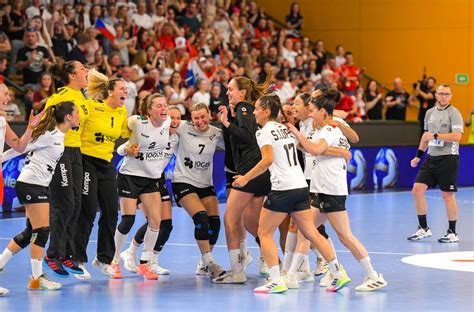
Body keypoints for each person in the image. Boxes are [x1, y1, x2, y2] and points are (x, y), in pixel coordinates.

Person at [233, 94, 349, 293]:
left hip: (283, 188)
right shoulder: (284, 129)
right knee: (311, 232)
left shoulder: (264, 132)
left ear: (267, 111)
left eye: (257, 108)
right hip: (300, 186)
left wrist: (245, 178)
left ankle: (276, 280)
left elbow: (268, 159)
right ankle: (338, 273)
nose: (254, 112)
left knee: (264, 233)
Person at [287, 91, 387, 292]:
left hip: (331, 189)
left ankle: (373, 275)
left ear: (322, 111)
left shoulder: (330, 129)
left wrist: (299, 135)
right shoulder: (323, 128)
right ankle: (291, 276)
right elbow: (313, 148)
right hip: (322, 189)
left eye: (313, 110)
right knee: (306, 232)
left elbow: (316, 149)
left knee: (344, 235)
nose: (310, 112)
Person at [0, 102, 78, 291]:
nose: (79, 116)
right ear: (68, 116)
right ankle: (36, 278)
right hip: (30, 184)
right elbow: (21, 147)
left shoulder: (59, 136)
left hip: (38, 185)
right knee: (42, 231)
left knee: (30, 232)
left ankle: (1, 263)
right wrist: (1, 158)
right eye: (77, 112)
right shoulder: (49, 135)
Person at [213, 73, 274, 284]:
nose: (227, 92)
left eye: (231, 89)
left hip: (251, 171)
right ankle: (275, 264)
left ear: (242, 92)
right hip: (258, 172)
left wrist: (228, 124)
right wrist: (227, 122)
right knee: (251, 223)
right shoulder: (241, 111)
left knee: (230, 218)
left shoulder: (244, 108)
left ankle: (237, 272)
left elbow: (248, 137)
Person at [73, 70, 130, 278]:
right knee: (87, 210)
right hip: (85, 160)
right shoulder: (91, 106)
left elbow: (127, 133)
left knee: (111, 211)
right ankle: (77, 259)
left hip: (106, 163)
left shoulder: (122, 113)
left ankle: (104, 258)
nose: (126, 91)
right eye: (122, 88)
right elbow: (74, 123)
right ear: (110, 92)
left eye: (127, 89)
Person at [112, 93, 172, 280]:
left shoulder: (168, 122)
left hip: (151, 178)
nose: (164, 108)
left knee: (156, 221)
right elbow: (121, 147)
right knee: (128, 220)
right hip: (129, 176)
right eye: (159, 105)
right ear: (149, 110)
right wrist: (127, 150)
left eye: (165, 105)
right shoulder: (136, 122)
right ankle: (113, 261)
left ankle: (145, 262)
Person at [43, 59, 89, 279]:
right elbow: (43, 124)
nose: (86, 70)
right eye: (82, 68)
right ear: (72, 75)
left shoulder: (82, 96)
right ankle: (52, 254)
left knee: (76, 203)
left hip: (76, 152)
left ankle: (66, 253)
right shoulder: (59, 97)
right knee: (64, 204)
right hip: (59, 152)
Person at [121, 107, 181, 276]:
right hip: (139, 177)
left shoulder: (176, 137)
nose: (175, 121)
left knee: (166, 225)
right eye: (172, 117)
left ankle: (150, 259)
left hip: (157, 178)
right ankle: (132, 254)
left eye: (178, 118)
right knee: (153, 221)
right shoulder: (149, 130)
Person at [171, 103, 226, 279]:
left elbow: (236, 145)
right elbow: (164, 122)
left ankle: (203, 264)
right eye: (196, 118)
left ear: (210, 115)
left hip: (206, 184)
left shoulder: (216, 133)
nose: (200, 121)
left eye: (203, 117)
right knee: (201, 218)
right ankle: (210, 262)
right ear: (191, 118)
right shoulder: (182, 127)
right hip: (183, 181)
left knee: (215, 223)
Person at [0, 82, 44, 295]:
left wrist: (29, 129)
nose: (8, 99)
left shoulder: (2, 121)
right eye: (5, 94)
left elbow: (19, 146)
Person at [409, 84, 464, 243]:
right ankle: (423, 228)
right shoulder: (429, 113)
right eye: (441, 94)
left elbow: (457, 136)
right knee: (417, 190)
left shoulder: (454, 113)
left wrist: (436, 135)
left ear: (451, 96)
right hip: (431, 158)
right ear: (436, 95)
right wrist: (418, 156)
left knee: (447, 195)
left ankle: (452, 232)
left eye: (447, 94)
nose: (444, 97)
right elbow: (426, 136)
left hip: (448, 158)